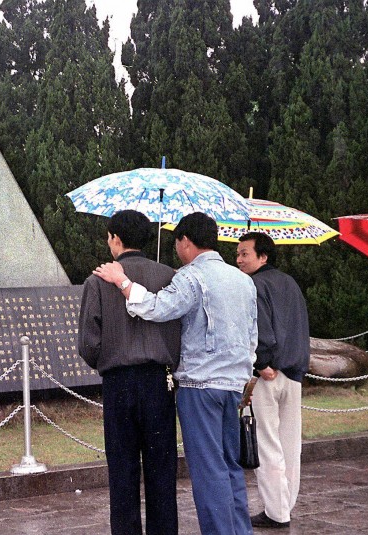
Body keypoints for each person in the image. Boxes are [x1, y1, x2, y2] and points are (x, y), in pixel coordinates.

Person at [94, 212, 257, 535]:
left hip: (200, 386)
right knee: (230, 467)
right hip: (234, 385)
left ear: (186, 242)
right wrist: (246, 377)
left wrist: (122, 282)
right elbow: (252, 335)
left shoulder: (191, 278)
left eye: (177, 242)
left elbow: (157, 307)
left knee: (209, 470)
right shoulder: (243, 280)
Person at [78, 210, 181, 535]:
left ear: (116, 239)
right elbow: (180, 333)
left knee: (122, 469)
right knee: (161, 468)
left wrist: (107, 361)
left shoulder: (97, 281)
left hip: (119, 383)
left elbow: (88, 343)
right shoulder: (169, 276)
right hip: (158, 381)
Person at [236, 232, 310, 529]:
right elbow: (300, 327)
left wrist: (263, 363)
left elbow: (260, 329)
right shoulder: (290, 283)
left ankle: (276, 512)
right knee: (291, 446)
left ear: (263, 256)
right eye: (238, 254)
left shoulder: (254, 284)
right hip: (294, 374)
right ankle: (285, 505)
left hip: (268, 376)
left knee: (268, 445)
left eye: (245, 254)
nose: (239, 259)